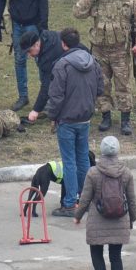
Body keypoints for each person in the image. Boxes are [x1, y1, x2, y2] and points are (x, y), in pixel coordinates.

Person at [72, 0, 136, 137]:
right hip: (99, 50)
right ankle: (105, 116)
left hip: (120, 51)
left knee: (123, 85)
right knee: (102, 85)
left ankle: (125, 119)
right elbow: (77, 12)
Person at [46, 27, 104, 217]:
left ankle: (70, 203)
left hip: (67, 120)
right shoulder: (93, 62)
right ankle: (86, 199)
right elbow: (100, 89)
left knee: (69, 162)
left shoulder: (61, 65)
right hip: (85, 119)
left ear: (63, 44)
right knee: (83, 160)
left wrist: (52, 116)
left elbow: (56, 96)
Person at [75, 135, 136, 270]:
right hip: (120, 219)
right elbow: (131, 199)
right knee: (115, 256)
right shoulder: (126, 172)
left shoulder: (93, 172)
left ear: (101, 151)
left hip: (98, 219)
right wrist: (132, 218)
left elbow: (85, 198)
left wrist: (78, 216)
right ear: (118, 151)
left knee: (96, 252)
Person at [18, 29, 65, 127]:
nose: (29, 55)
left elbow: (47, 86)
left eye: (29, 51)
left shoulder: (48, 58)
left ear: (36, 44)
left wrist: (35, 110)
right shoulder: (46, 36)